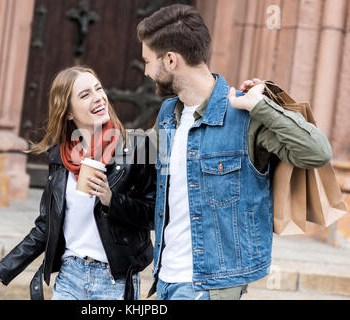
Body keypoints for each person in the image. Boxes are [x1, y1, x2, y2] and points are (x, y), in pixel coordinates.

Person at [137, 4, 332, 300]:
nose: (146, 71)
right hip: (164, 279)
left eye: (148, 61)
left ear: (171, 60)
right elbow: (139, 157)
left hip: (210, 286)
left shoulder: (245, 114)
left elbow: (317, 152)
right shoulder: (168, 113)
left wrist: (261, 107)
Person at [0, 66, 156, 300]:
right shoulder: (59, 158)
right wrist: (0, 271)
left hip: (114, 281)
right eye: (85, 95)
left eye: (98, 89)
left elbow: (155, 214)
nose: (98, 98)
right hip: (69, 278)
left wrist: (112, 200)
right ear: (69, 112)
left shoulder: (138, 148)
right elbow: (45, 227)